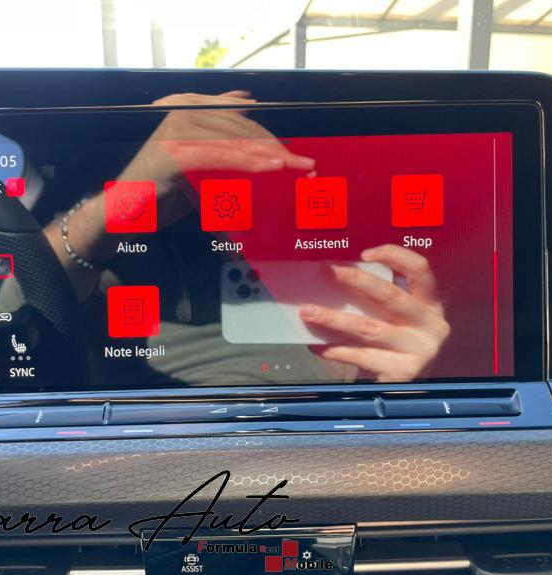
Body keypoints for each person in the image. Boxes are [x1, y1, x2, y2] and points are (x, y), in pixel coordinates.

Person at [39, 91, 449, 384]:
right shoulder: (116, 263)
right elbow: (22, 308)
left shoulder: (342, 282)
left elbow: (361, 426)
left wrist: (402, 388)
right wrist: (120, 204)